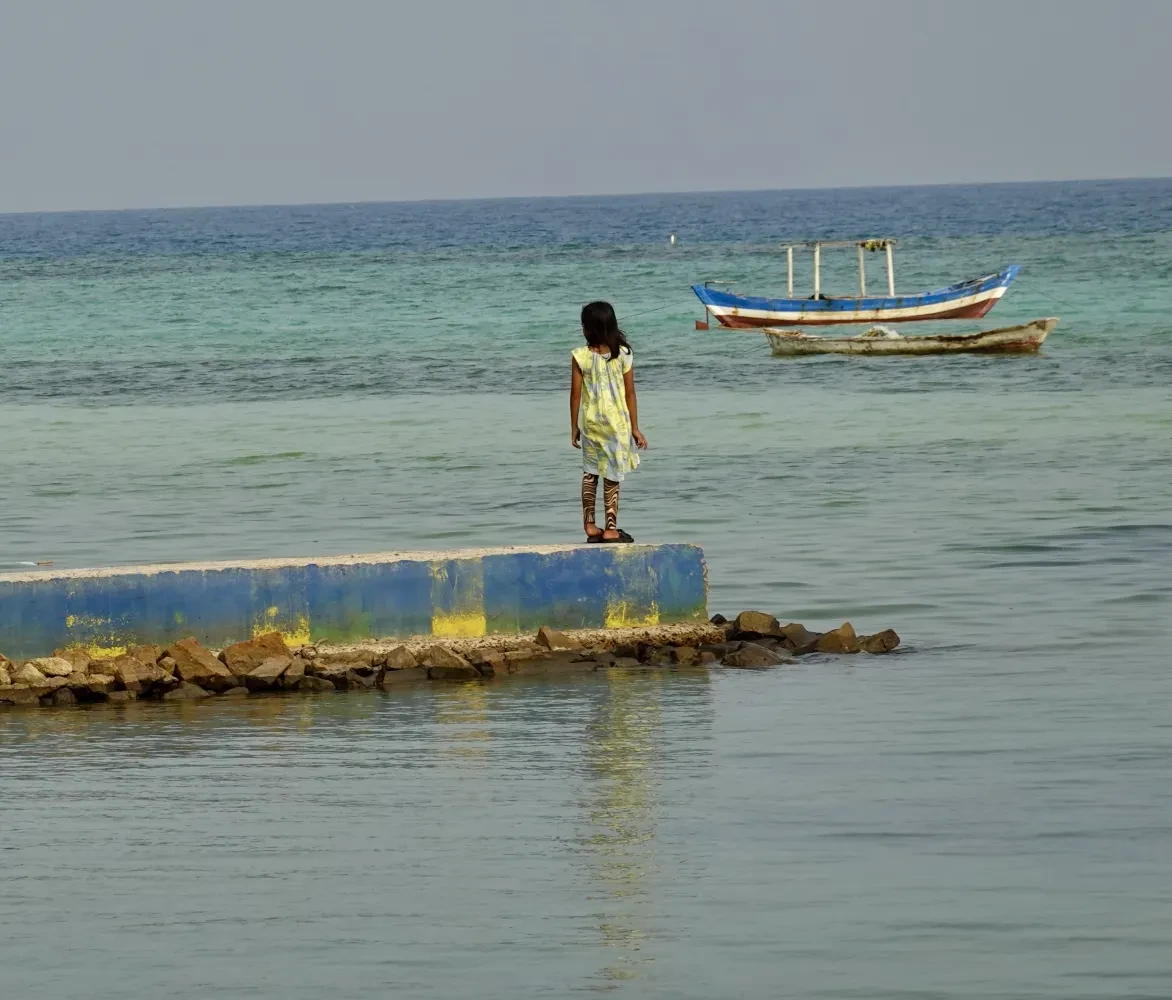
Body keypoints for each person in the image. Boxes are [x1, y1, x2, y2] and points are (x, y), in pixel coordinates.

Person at [570, 301, 648, 543]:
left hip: (592, 425)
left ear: (588, 329)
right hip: (617, 425)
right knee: (612, 475)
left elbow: (575, 394)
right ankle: (611, 527)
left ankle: (590, 525)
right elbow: (630, 393)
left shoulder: (580, 356)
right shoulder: (624, 354)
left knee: (590, 474)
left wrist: (574, 426)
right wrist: (635, 427)